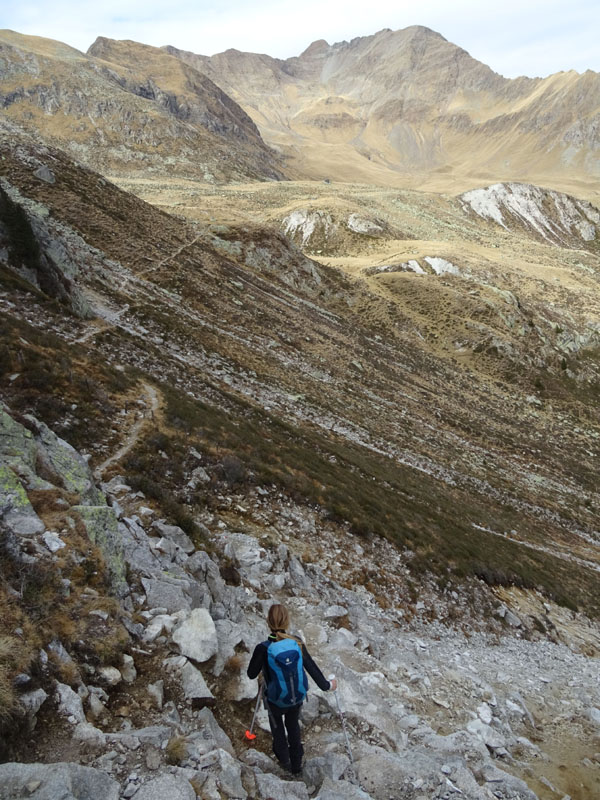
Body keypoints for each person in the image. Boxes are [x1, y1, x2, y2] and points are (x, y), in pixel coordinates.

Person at [247, 603, 337, 775]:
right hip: (296, 697)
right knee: (293, 726)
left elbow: (251, 674)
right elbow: (312, 669)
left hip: (275, 699)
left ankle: (284, 762)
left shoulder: (263, 648)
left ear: (268, 622)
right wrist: (328, 685)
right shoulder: (296, 642)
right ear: (287, 621)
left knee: (278, 729)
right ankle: (297, 766)